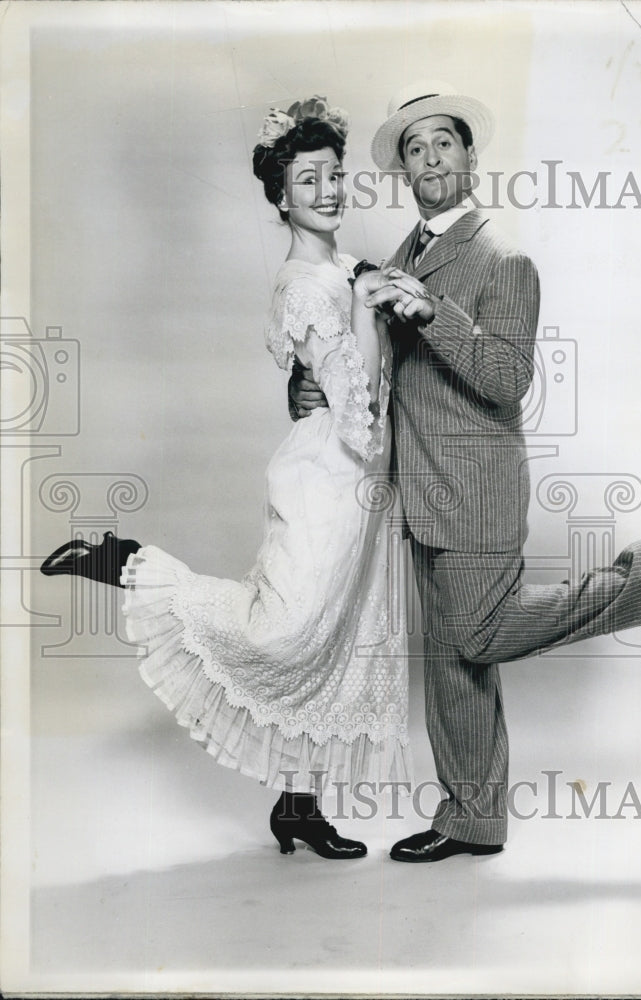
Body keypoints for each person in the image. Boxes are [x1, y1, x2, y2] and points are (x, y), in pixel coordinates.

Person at [289, 81, 641, 863]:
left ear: (469, 157)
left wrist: (434, 313)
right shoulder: (400, 254)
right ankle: (473, 818)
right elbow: (379, 371)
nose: (429, 158)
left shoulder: (504, 260)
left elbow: (505, 377)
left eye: (443, 144)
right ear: (403, 168)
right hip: (416, 492)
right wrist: (312, 383)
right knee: (455, 664)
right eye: (414, 148)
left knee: (477, 635)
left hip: (476, 489)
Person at [40, 96, 412, 860]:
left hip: (360, 492)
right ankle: (125, 563)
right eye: (308, 182)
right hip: (329, 480)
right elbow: (358, 414)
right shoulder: (303, 285)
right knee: (278, 632)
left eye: (335, 176)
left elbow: (343, 333)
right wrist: (374, 314)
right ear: (280, 198)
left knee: (334, 643)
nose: (329, 192)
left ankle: (299, 807)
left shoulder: (340, 267)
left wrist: (370, 291)